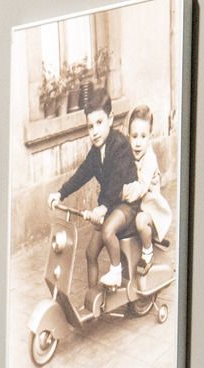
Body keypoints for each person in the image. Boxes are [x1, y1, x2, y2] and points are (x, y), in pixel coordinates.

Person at [50, 92, 141, 288]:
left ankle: (116, 272)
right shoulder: (95, 152)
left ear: (110, 119)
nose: (95, 131)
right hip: (109, 207)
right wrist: (61, 193)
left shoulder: (120, 145)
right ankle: (92, 299)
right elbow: (81, 174)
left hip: (126, 205)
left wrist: (103, 207)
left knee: (108, 231)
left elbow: (117, 180)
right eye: (90, 126)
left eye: (99, 123)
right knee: (90, 253)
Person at [122, 106, 174, 275]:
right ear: (128, 136)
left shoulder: (149, 159)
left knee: (140, 221)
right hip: (136, 205)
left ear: (150, 137)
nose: (138, 142)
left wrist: (120, 192)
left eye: (143, 137)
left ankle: (147, 252)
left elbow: (141, 188)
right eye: (134, 136)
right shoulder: (129, 154)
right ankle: (124, 263)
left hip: (151, 208)